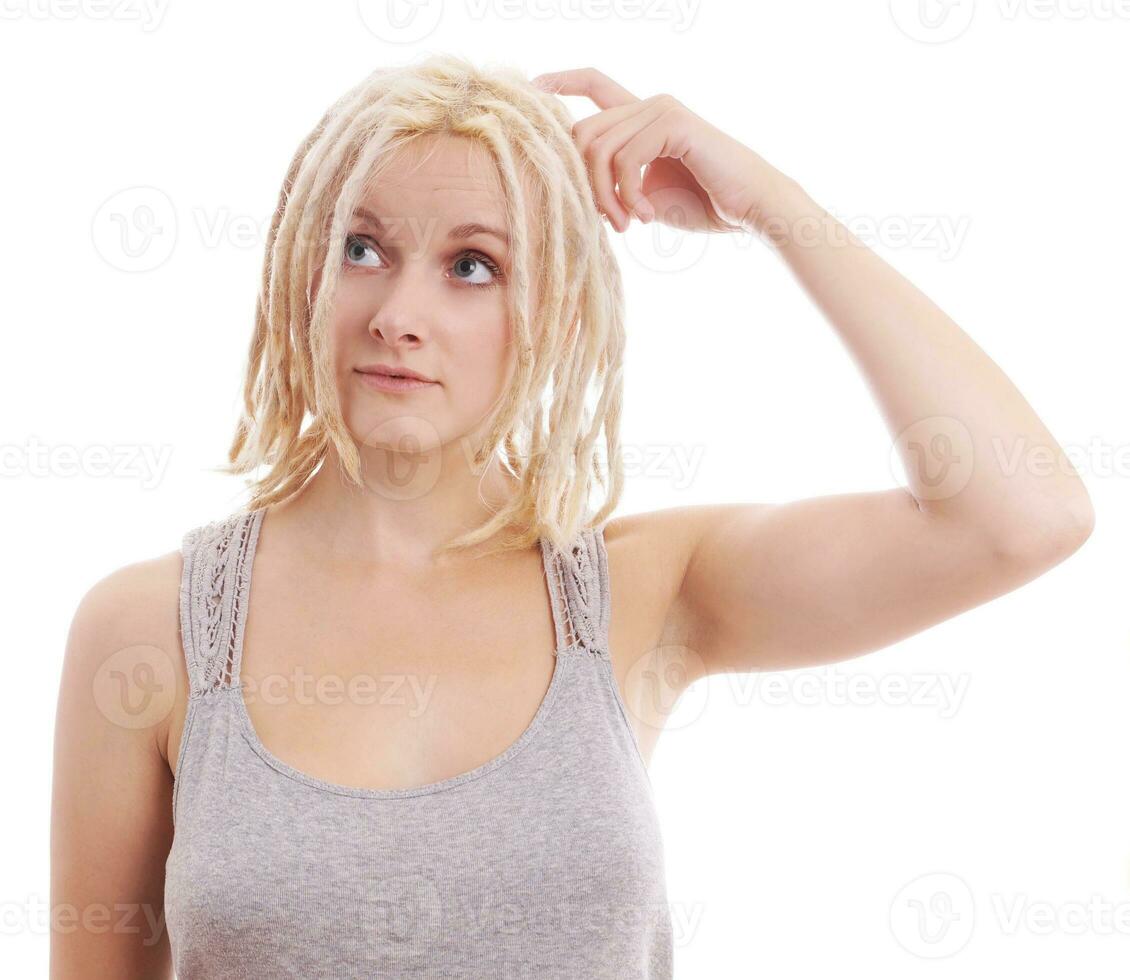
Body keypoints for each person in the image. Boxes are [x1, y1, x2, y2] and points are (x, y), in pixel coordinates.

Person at [50, 54, 1094, 979]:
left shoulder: (642, 589)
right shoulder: (153, 628)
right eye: (362, 247)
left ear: (547, 307)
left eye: (471, 265)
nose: (399, 314)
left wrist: (772, 204)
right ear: (298, 272)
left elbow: (1020, 514)